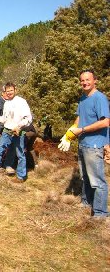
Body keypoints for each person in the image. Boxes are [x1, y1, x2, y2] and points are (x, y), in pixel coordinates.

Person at [58, 69, 109, 217]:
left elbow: (105, 122)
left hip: (94, 145)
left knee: (97, 181)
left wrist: (82, 130)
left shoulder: (100, 98)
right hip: (83, 144)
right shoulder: (83, 98)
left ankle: (100, 214)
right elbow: (79, 119)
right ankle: (87, 204)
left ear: (95, 81)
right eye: (82, 80)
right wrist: (69, 134)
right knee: (85, 177)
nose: (85, 83)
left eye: (88, 80)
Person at [0, 82, 32, 182]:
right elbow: (5, 118)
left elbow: (28, 118)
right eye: (7, 91)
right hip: (7, 131)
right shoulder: (7, 103)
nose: (9, 93)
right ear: (5, 92)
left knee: (20, 154)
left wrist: (19, 126)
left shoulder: (22, 102)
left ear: (15, 90)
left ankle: (21, 177)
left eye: (11, 90)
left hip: (18, 131)